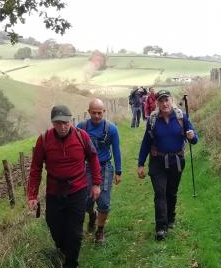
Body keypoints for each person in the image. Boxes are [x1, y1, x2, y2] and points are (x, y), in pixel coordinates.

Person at [28, 104, 101, 268]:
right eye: (59, 123)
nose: (63, 126)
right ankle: (63, 249)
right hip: (54, 191)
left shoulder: (81, 137)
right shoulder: (44, 141)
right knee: (55, 227)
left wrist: (97, 184)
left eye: (66, 122)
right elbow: (36, 168)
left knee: (75, 231)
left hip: (78, 189)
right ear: (53, 123)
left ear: (71, 121)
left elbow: (93, 158)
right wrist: (32, 195)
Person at [137, 89, 198, 241]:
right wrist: (140, 164)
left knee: (171, 192)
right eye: (161, 101)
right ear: (157, 103)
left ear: (171, 100)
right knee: (160, 193)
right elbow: (146, 142)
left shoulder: (181, 117)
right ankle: (161, 227)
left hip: (176, 161)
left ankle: (171, 218)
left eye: (167, 100)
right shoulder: (152, 120)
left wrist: (192, 136)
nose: (164, 103)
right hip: (157, 162)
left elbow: (194, 139)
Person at [76, 98, 122, 244]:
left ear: (104, 112)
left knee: (104, 202)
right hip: (86, 168)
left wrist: (118, 171)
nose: (96, 116)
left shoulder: (111, 129)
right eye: (94, 113)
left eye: (99, 113)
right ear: (88, 112)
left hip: (104, 168)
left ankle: (100, 231)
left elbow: (116, 150)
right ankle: (92, 214)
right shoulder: (80, 127)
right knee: (86, 202)